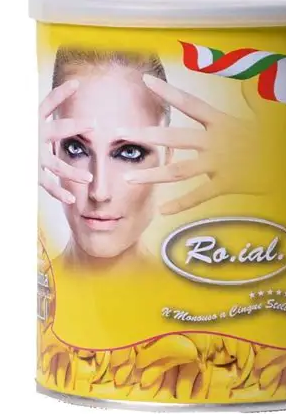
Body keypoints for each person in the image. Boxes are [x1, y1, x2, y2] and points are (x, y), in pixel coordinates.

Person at [39, 47, 267, 272]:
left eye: (129, 152)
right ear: (53, 148)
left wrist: (282, 182)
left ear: (167, 154)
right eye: (76, 148)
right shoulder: (28, 288)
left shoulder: (207, 293)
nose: (99, 193)